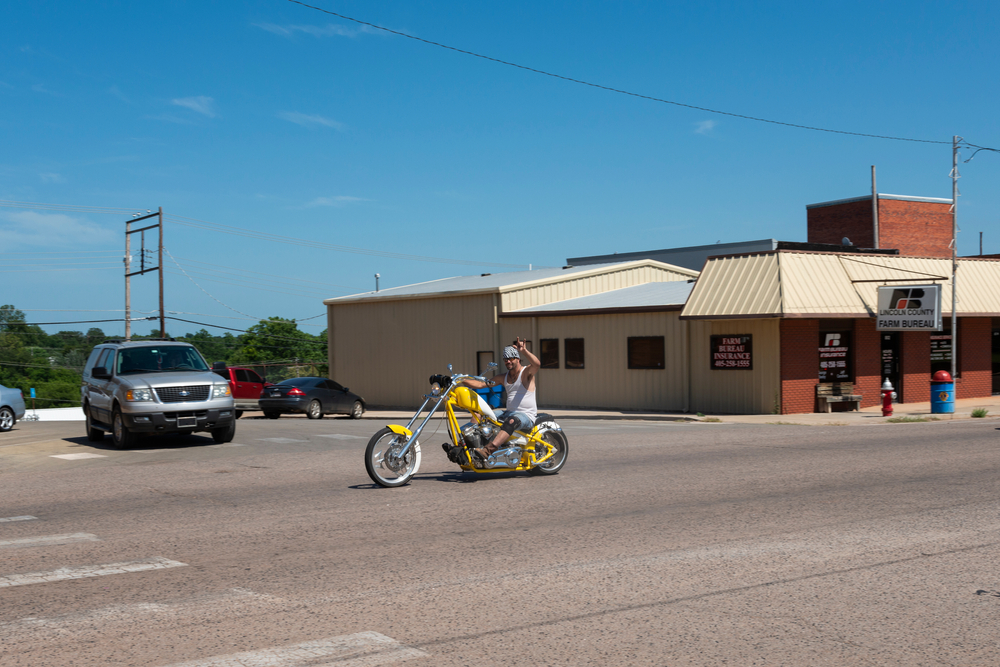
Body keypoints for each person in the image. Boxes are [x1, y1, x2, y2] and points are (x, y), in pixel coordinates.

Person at [458, 337, 540, 462]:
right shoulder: (502, 377)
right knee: (480, 413)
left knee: (511, 421)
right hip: (509, 412)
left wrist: (524, 351)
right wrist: (460, 379)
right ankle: (462, 445)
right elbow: (480, 385)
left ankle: (487, 451)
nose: (508, 361)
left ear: (518, 359)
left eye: (511, 358)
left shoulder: (526, 373)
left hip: (526, 416)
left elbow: (537, 364)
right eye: (505, 359)